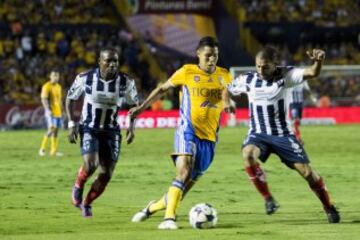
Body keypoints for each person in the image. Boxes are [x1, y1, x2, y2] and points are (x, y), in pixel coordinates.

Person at [130, 36, 234, 230]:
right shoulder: (187, 72)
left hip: (210, 139)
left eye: (215, 56)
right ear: (198, 54)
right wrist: (142, 107)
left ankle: (151, 208)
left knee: (183, 188)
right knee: (183, 171)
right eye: (208, 56)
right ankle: (169, 219)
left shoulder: (225, 74)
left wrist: (228, 102)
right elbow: (162, 89)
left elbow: (226, 92)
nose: (212, 60)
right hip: (187, 131)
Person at [228, 46, 340, 223]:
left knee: (307, 172)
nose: (261, 70)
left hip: (283, 135)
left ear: (275, 64)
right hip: (258, 134)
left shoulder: (286, 75)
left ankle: (329, 206)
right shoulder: (248, 78)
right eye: (258, 66)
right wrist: (228, 102)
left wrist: (318, 62)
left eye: (265, 66)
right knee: (248, 154)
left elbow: (312, 73)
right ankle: (268, 199)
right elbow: (226, 89)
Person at [66, 47, 139, 218]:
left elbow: (135, 106)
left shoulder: (126, 82)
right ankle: (78, 185)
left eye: (115, 61)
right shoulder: (85, 78)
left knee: (106, 173)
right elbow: (70, 98)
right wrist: (71, 124)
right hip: (89, 127)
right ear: (100, 61)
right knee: (91, 164)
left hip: (111, 131)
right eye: (108, 61)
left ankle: (87, 203)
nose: (112, 64)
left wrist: (131, 128)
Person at [39, 68, 63, 157]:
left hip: (58, 112)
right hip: (51, 112)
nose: (56, 77)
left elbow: (59, 100)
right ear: (50, 76)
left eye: (57, 76)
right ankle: (42, 149)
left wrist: (62, 110)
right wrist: (47, 110)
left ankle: (53, 151)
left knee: (56, 131)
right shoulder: (46, 86)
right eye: (54, 75)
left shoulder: (59, 87)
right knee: (51, 129)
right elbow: (44, 99)